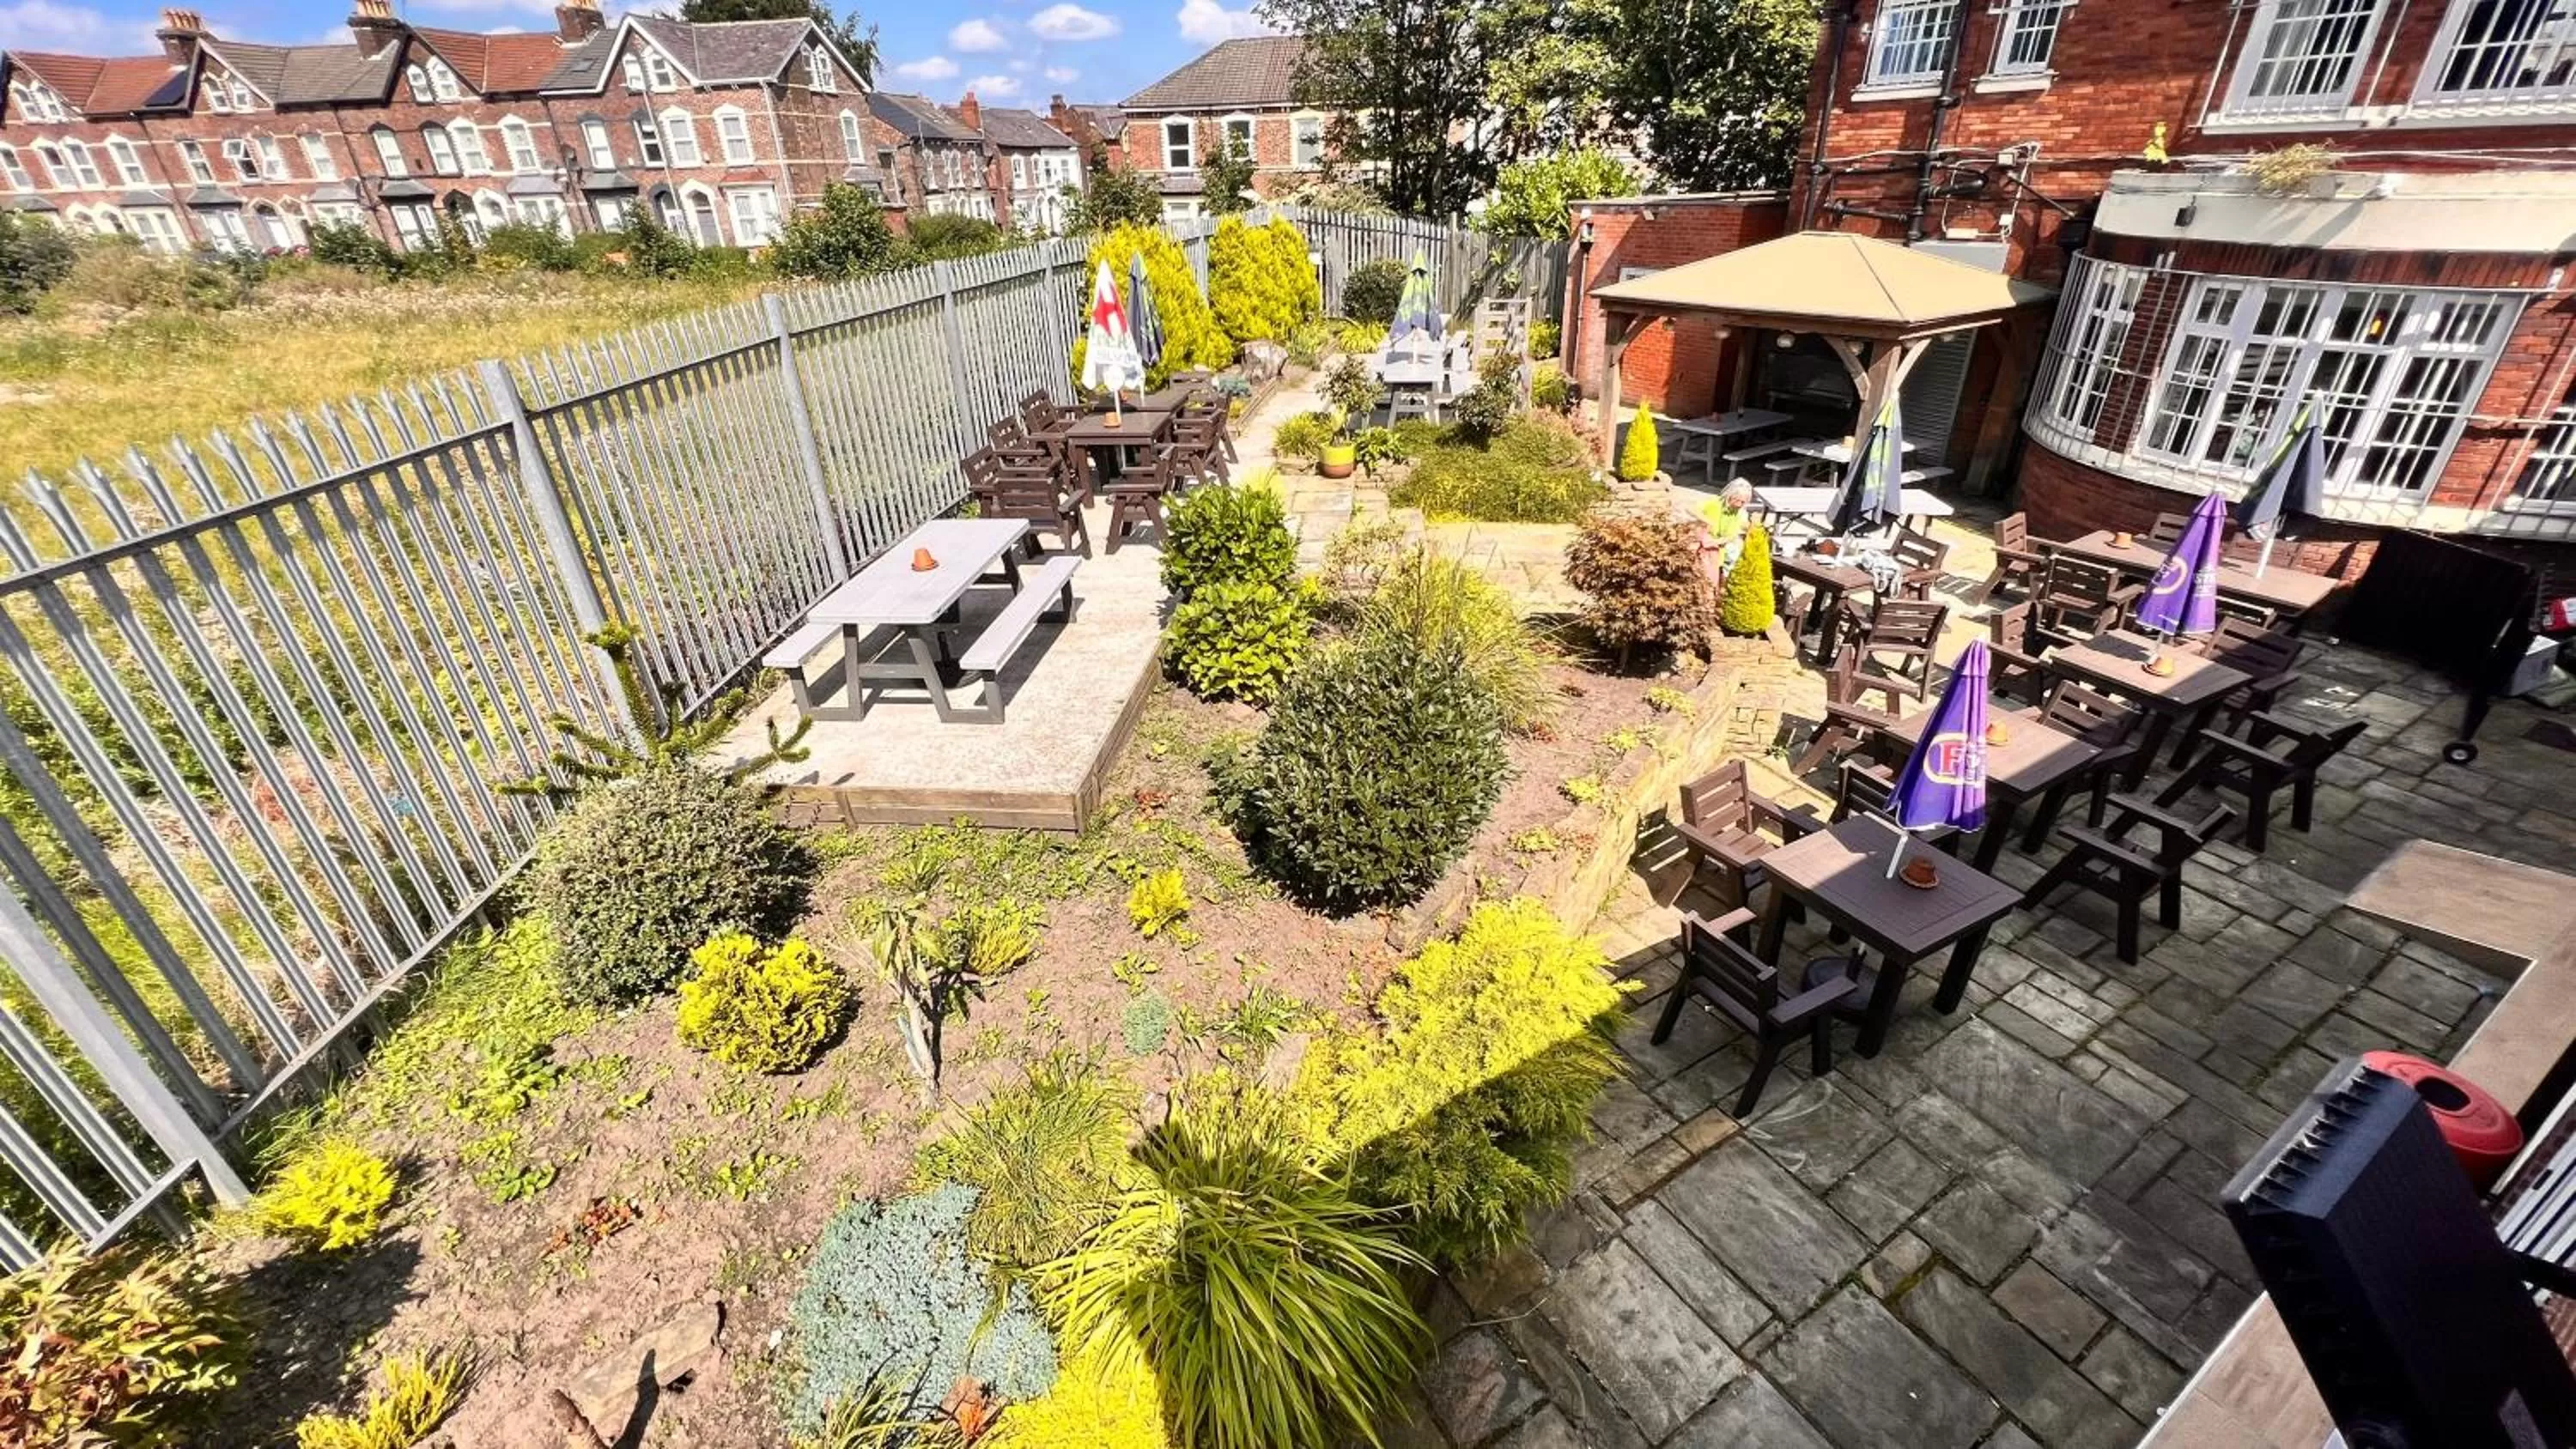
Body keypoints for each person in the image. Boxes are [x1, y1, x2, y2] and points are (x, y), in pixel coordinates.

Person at [1696, 480, 1755, 586]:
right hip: (1704, 542)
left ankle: (1722, 584)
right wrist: (1706, 520)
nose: (1740, 505)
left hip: (1721, 545)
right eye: (1738, 501)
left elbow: (1731, 536)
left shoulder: (1740, 512)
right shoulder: (1714, 502)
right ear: (1730, 496)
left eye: (1743, 502)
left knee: (1733, 555)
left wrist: (1718, 542)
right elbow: (1690, 509)